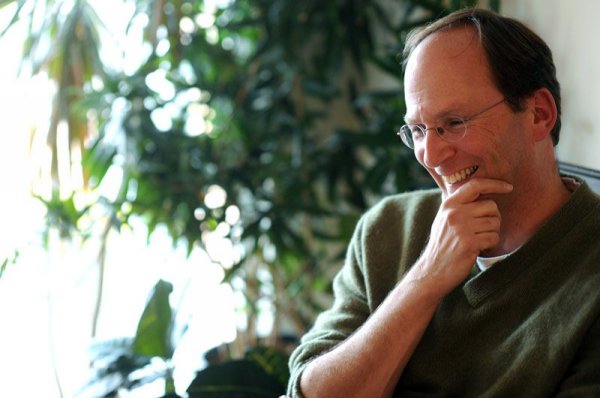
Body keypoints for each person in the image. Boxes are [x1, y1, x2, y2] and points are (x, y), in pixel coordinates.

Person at [286, 7, 600, 398]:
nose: (430, 155)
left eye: (454, 123)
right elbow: (309, 392)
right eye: (417, 129)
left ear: (539, 114)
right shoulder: (387, 228)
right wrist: (427, 277)